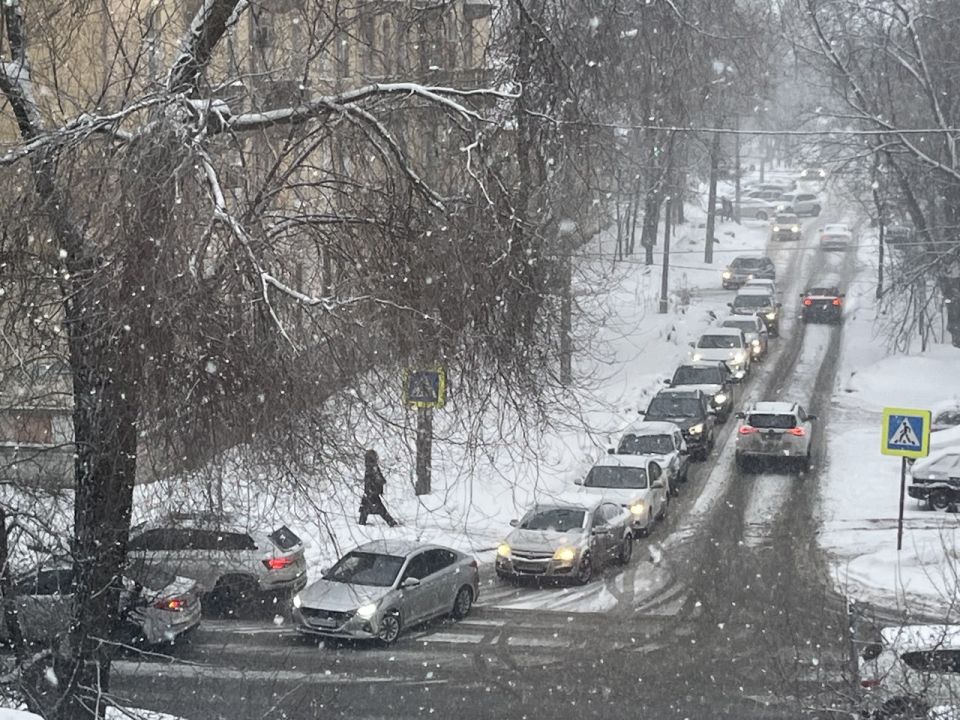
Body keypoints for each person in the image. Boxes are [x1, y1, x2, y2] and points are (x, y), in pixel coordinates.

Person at [359, 449, 398, 527]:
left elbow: (376, 479)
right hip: (372, 492)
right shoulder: (373, 468)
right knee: (378, 508)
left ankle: (362, 522)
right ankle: (391, 522)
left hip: (370, 492)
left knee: (367, 508)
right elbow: (378, 479)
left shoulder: (370, 468)